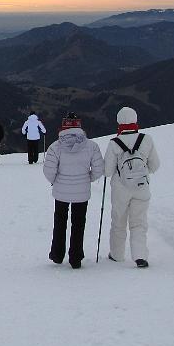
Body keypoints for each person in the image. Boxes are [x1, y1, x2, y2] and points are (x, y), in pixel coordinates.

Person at [43, 112, 104, 269]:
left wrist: (55, 181)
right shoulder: (91, 146)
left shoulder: (55, 146)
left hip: (61, 191)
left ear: (63, 127)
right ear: (79, 126)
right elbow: (98, 169)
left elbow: (48, 170)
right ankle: (75, 257)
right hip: (82, 191)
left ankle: (57, 254)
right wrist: (87, 178)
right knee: (79, 223)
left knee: (60, 221)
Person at [104, 106, 160, 268]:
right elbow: (155, 165)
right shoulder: (146, 139)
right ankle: (140, 256)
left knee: (118, 221)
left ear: (119, 122)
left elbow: (107, 171)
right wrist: (140, 173)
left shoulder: (114, 143)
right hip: (141, 187)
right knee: (139, 222)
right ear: (135, 120)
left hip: (120, 188)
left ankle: (117, 254)